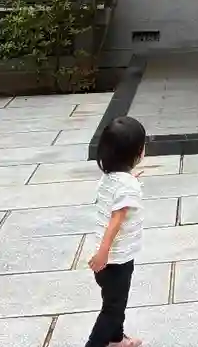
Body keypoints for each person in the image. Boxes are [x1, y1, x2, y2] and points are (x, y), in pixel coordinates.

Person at [86, 115, 147, 347]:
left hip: (108, 262)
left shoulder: (109, 179)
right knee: (112, 309)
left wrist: (130, 180)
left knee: (115, 303)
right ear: (138, 152)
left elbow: (117, 195)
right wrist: (104, 253)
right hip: (115, 262)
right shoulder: (127, 185)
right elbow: (116, 220)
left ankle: (116, 339)